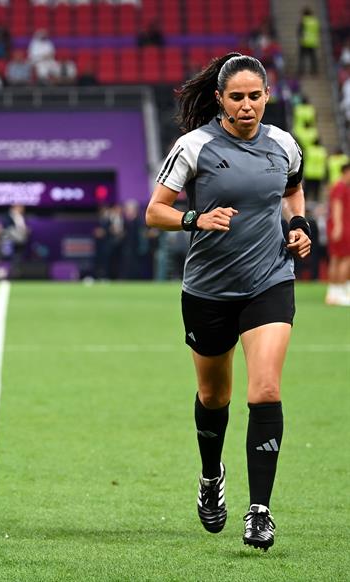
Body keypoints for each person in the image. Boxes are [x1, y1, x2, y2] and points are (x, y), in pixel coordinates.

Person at [145, 53, 311, 552]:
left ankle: (259, 510)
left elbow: (294, 190)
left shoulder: (283, 143)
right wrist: (197, 219)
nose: (246, 106)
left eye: (254, 96)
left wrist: (299, 225)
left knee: (264, 390)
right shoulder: (193, 146)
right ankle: (211, 475)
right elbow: (156, 212)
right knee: (215, 397)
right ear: (220, 99)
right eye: (235, 97)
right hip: (209, 290)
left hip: (269, 281)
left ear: (266, 96)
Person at [326, 163, 350, 305]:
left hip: (340, 226)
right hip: (342, 227)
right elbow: (337, 206)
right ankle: (340, 292)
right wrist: (338, 226)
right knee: (345, 258)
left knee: (336, 258)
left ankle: (333, 292)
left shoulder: (340, 187)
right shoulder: (340, 187)